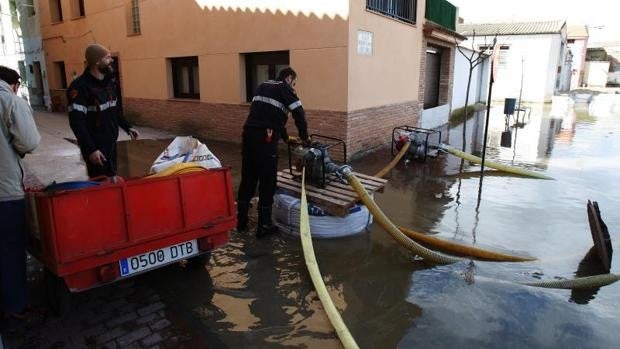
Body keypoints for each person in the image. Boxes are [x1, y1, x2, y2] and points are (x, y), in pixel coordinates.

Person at [237, 67, 309, 238]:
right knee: (267, 180)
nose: (293, 85)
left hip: (248, 135)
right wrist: (305, 138)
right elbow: (299, 113)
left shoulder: (262, 85)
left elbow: (272, 116)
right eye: (294, 81)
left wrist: (286, 138)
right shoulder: (284, 88)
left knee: (248, 177)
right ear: (289, 77)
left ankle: (241, 223)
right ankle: (264, 226)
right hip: (266, 139)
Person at [0, 65, 41, 321]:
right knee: (10, 250)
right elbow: (29, 141)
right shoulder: (9, 100)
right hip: (4, 193)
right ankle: (15, 306)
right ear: (14, 84)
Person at [67, 43, 139, 178]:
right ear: (97, 61)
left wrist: (127, 127)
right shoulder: (80, 87)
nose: (111, 60)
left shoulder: (109, 83)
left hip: (111, 143)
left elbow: (114, 109)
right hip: (96, 148)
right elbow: (77, 123)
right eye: (107, 58)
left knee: (113, 180)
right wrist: (90, 150)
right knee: (101, 185)